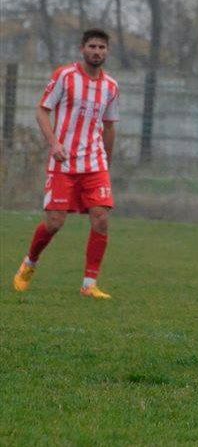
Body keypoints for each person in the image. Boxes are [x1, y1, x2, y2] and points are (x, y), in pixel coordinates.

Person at [12, 28, 119, 300]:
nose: (97, 52)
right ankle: (30, 263)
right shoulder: (65, 76)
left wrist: (106, 160)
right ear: (82, 48)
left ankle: (89, 285)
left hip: (95, 163)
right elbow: (41, 110)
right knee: (55, 222)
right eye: (92, 46)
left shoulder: (111, 86)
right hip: (64, 162)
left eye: (102, 47)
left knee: (101, 218)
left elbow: (109, 126)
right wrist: (54, 143)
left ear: (107, 51)